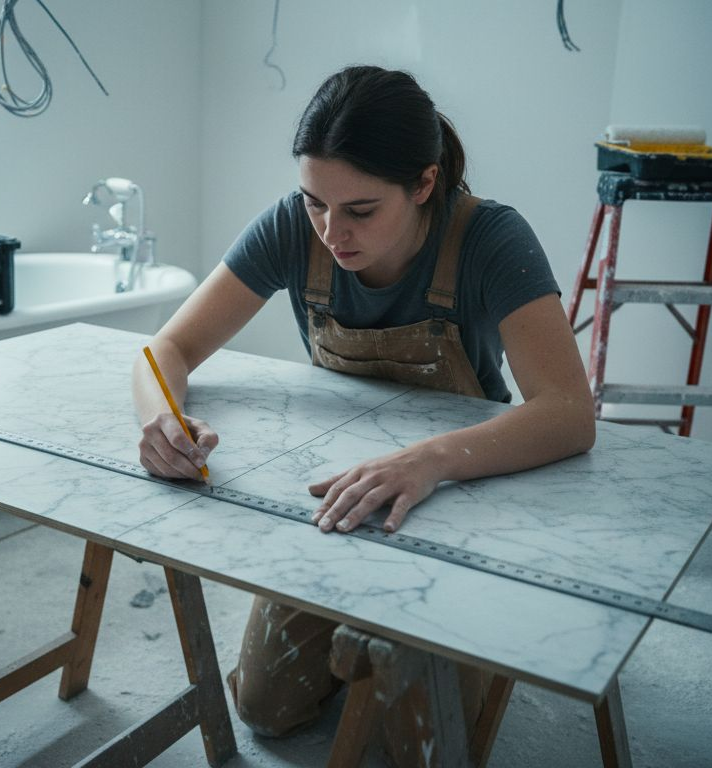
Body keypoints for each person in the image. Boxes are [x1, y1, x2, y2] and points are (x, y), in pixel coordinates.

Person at [130, 65, 595, 765]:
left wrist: (428, 460)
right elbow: (166, 348)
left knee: (427, 737)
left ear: (423, 184)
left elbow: (569, 411)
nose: (330, 231)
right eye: (315, 202)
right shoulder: (296, 228)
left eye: (360, 211)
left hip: (469, 495)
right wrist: (162, 420)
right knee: (265, 708)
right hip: (347, 494)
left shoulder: (490, 238)